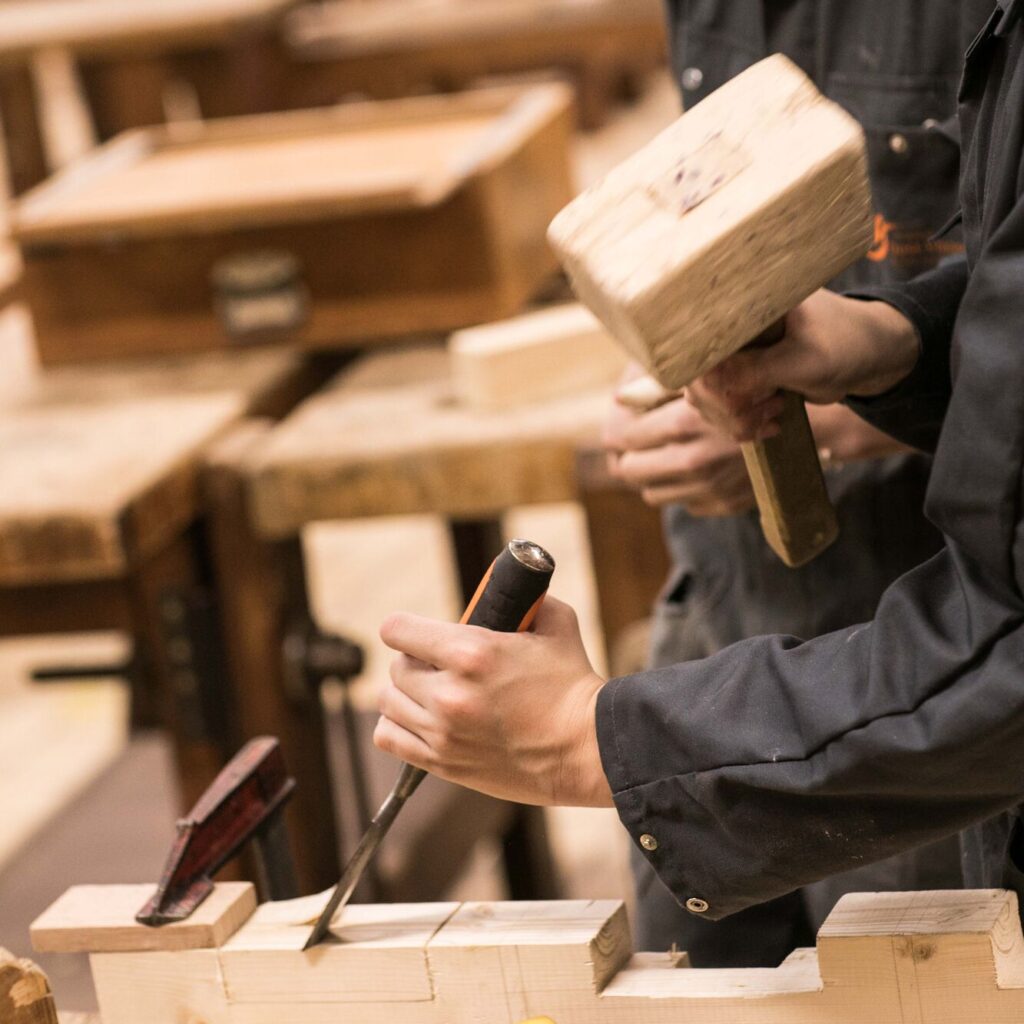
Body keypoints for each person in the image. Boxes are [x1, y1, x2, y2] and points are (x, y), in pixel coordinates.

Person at [372, 0, 1024, 928]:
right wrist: (894, 343)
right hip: (737, 627)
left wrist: (585, 740)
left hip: (902, 666)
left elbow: (1006, 645)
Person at [601, 0, 966, 964]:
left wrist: (838, 418)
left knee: (903, 983)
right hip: (723, 615)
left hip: (910, 650)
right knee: (696, 982)